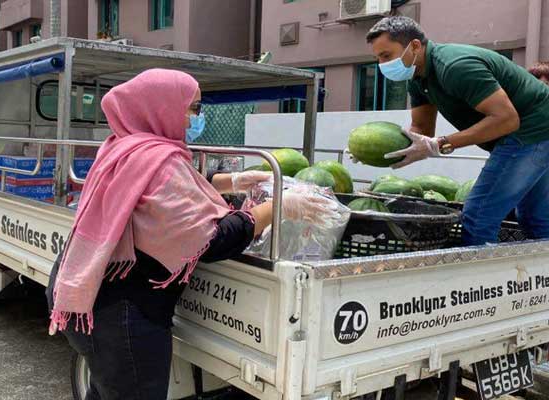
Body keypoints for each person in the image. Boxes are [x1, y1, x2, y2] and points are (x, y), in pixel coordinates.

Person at [46, 69, 336, 400]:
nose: (195, 118)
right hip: (124, 317)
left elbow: (161, 192)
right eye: (192, 107)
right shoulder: (158, 161)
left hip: (80, 292)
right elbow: (208, 240)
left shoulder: (124, 147)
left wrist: (236, 181)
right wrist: (275, 208)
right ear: (161, 106)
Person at [357, 16, 549, 246]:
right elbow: (421, 130)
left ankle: (485, 281)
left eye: (386, 56)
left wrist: (441, 144)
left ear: (414, 46)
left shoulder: (455, 67)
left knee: (479, 215)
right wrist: (369, 151)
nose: (382, 65)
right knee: (532, 213)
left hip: (536, 130)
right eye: (378, 58)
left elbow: (506, 119)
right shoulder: (417, 78)